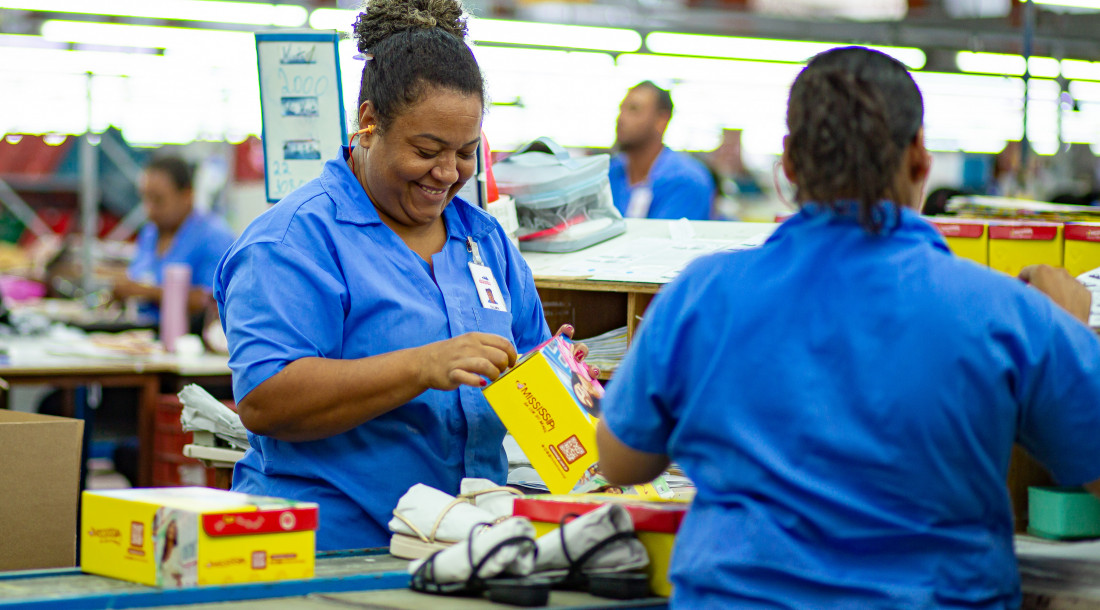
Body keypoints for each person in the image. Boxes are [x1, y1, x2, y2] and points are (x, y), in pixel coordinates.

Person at [595, 46, 1100, 608]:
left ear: (787, 163)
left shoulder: (702, 293)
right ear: (919, 158)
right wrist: (1073, 336)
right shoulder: (1007, 313)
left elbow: (621, 461)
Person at [213, 0, 594, 551]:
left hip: (462, 540)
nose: (448, 173)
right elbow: (266, 400)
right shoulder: (295, 240)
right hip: (330, 544)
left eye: (466, 153)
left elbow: (527, 373)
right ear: (369, 123)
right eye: (427, 151)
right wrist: (423, 366)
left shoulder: (484, 241)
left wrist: (566, 388)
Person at [111, 156, 236, 325]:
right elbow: (139, 275)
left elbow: (213, 301)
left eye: (158, 200)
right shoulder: (150, 233)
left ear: (187, 196)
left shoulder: (214, 237)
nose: (150, 209)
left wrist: (147, 292)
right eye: (145, 198)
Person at [608, 81, 714, 220]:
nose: (621, 118)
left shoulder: (686, 180)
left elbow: (664, 239)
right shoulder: (608, 174)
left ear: (662, 120)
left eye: (634, 109)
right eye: (621, 109)